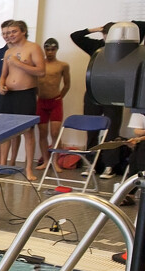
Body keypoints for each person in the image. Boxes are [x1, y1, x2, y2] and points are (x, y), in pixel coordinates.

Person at [69, 20, 145, 151]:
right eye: (105, 35)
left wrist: (126, 24)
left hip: (114, 93)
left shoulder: (129, 50)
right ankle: (92, 161)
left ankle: (109, 165)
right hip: (95, 92)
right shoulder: (97, 47)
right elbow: (75, 36)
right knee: (91, 129)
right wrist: (96, 29)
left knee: (112, 130)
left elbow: (142, 26)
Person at [0, 20, 46, 180]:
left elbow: (41, 71)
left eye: (14, 32)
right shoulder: (8, 52)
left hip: (25, 94)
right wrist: (1, 85)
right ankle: (3, 165)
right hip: (9, 95)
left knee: (28, 132)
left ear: (23, 32)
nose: (10, 35)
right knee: (5, 133)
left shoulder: (33, 48)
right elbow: (3, 74)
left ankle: (28, 169)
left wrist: (19, 63)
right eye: (8, 32)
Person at [36, 38, 71, 170]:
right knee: (42, 133)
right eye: (47, 49)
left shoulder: (62, 65)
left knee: (55, 132)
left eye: (53, 49)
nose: (50, 52)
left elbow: (67, 84)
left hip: (55, 101)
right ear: (44, 49)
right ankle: (46, 161)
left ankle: (55, 161)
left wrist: (59, 97)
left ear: (56, 50)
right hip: (41, 102)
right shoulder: (38, 65)